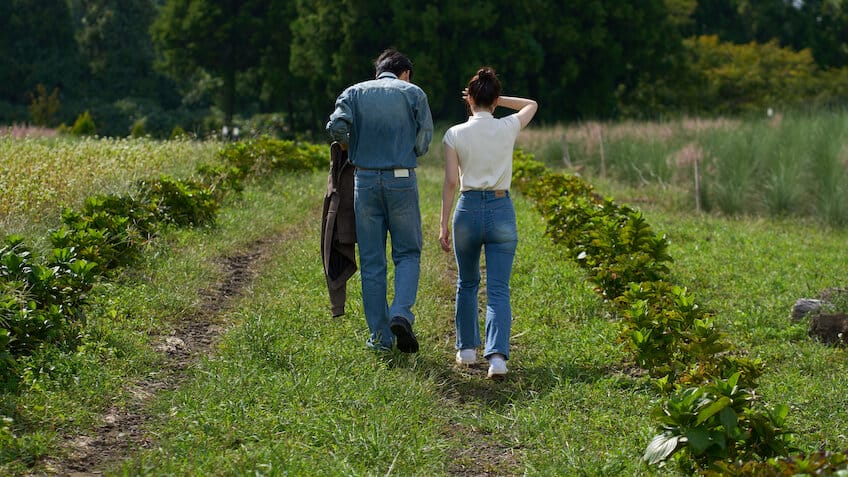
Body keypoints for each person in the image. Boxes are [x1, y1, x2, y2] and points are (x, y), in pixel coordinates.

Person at [326, 48, 434, 353]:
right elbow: (424, 141)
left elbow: (335, 128)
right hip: (401, 179)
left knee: (373, 261)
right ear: (405, 73)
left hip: (365, 181)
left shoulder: (353, 92)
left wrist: (351, 145)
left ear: (378, 71)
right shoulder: (414, 93)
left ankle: (380, 338)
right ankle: (401, 313)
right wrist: (408, 148)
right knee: (408, 253)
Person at [439, 67, 538, 378]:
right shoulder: (508, 126)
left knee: (467, 282)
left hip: (467, 210)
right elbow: (531, 105)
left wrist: (443, 223)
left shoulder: (454, 133)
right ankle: (497, 359)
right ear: (495, 100)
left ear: (469, 99)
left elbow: (451, 182)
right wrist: (497, 99)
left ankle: (467, 350)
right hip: (500, 209)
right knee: (498, 288)